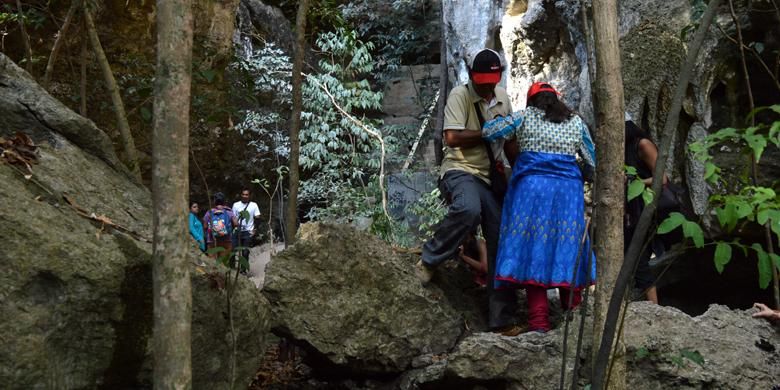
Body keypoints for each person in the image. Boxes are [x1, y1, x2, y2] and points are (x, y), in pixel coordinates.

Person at [415, 48, 519, 336]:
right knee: (468, 209)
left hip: (490, 177)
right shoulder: (460, 96)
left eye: (490, 80)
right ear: (473, 75)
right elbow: (451, 137)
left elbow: (509, 143)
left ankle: (502, 319)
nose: (485, 86)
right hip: (460, 170)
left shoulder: (503, 98)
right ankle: (429, 259)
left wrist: (522, 173)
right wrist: (487, 131)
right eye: (481, 80)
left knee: (501, 238)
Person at [484, 81, 597, 333]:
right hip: (566, 194)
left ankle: (539, 323)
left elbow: (489, 131)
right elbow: (592, 158)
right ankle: (573, 316)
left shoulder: (523, 117)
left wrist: (500, 119)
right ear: (557, 100)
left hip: (531, 192)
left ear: (531, 100)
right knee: (568, 246)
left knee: (535, 247)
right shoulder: (575, 122)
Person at [624, 120, 667, 304]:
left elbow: (662, 178)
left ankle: (654, 308)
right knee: (630, 258)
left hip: (645, 208)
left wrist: (635, 182)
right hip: (630, 212)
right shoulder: (623, 149)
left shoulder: (642, 145)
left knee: (639, 260)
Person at [203, 192, 238, 260]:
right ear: (224, 201)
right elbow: (236, 223)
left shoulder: (209, 212)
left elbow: (205, 226)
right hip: (226, 240)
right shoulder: (229, 212)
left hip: (212, 241)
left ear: (214, 201)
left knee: (212, 261)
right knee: (223, 261)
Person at [232, 188, 261, 265]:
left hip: (248, 231)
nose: (245, 196)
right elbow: (233, 217)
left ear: (249, 196)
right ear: (241, 195)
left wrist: (255, 229)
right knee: (232, 250)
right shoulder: (236, 205)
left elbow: (257, 217)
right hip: (237, 230)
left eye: (246, 194)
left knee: (245, 252)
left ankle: (243, 270)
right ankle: (231, 268)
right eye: (243, 194)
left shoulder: (254, 205)